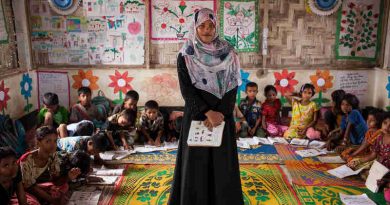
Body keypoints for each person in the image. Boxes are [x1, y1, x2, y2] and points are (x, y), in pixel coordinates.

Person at [169, 8, 243, 205]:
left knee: (222, 163)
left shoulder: (229, 53)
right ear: (195, 27)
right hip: (197, 114)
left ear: (216, 27)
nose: (207, 30)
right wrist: (208, 112)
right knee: (196, 163)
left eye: (210, 25)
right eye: (202, 25)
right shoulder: (186, 54)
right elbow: (186, 90)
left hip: (222, 116)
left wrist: (222, 112)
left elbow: (233, 85)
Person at [19, 126, 81, 205]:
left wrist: (68, 177)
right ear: (38, 143)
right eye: (48, 141)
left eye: (55, 141)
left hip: (36, 186)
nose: (53, 144)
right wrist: (52, 200)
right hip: (21, 190)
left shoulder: (52, 155)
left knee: (63, 186)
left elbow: (55, 180)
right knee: (33, 202)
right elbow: (30, 187)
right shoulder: (26, 160)